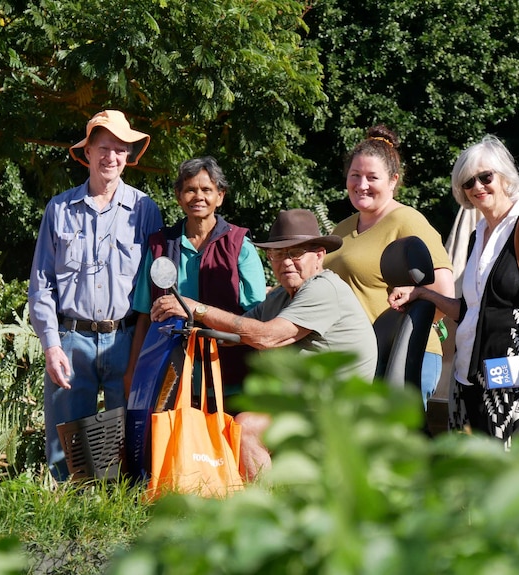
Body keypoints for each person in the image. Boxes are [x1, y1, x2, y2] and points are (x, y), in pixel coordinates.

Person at [150, 208, 378, 480]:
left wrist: (195, 307)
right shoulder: (282, 296)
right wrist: (189, 325)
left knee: (247, 427)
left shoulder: (323, 288)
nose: (286, 262)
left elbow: (266, 336)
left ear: (319, 255)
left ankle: (266, 510)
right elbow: (239, 330)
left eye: (296, 253)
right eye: (279, 254)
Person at [388, 135, 519, 444]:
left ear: (505, 178)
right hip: (467, 375)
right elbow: (472, 309)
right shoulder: (478, 235)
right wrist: (423, 294)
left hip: (512, 379)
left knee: (500, 476)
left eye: (486, 177)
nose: (477, 187)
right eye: (468, 182)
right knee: (466, 472)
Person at [28, 110, 163, 481]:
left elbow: (156, 284)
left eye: (120, 149)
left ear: (128, 156)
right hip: (71, 338)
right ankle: (65, 512)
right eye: (104, 147)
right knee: (65, 439)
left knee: (130, 434)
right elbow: (41, 282)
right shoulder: (59, 209)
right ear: (86, 152)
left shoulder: (145, 210)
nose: (112, 157)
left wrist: (147, 344)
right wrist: (51, 345)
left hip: (125, 338)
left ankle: (123, 512)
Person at [323, 125, 454, 409]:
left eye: (372, 177)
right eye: (355, 175)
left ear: (393, 180)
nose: (362, 184)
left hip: (401, 357)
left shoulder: (407, 220)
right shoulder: (342, 228)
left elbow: (444, 293)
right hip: (354, 360)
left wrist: (403, 327)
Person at [125, 156, 266, 402]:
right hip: (171, 377)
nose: (198, 196)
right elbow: (145, 316)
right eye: (190, 189)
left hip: (229, 376)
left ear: (220, 196)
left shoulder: (239, 245)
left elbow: (256, 314)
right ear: (179, 196)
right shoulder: (160, 245)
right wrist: (133, 371)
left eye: (206, 190)